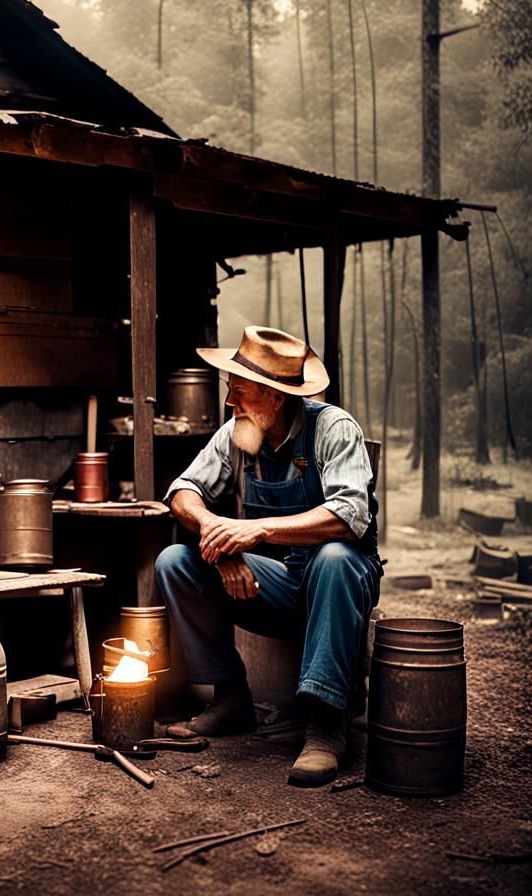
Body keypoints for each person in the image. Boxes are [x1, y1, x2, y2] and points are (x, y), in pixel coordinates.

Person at [155, 326, 382, 786]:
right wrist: (219, 544)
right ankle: (231, 698)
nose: (230, 403)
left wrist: (254, 530)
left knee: (335, 557)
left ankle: (325, 723)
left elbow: (350, 515)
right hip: (278, 582)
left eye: (240, 393)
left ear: (276, 398)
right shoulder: (238, 434)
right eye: (230, 391)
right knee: (174, 562)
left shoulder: (333, 428)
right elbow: (181, 493)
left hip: (337, 584)